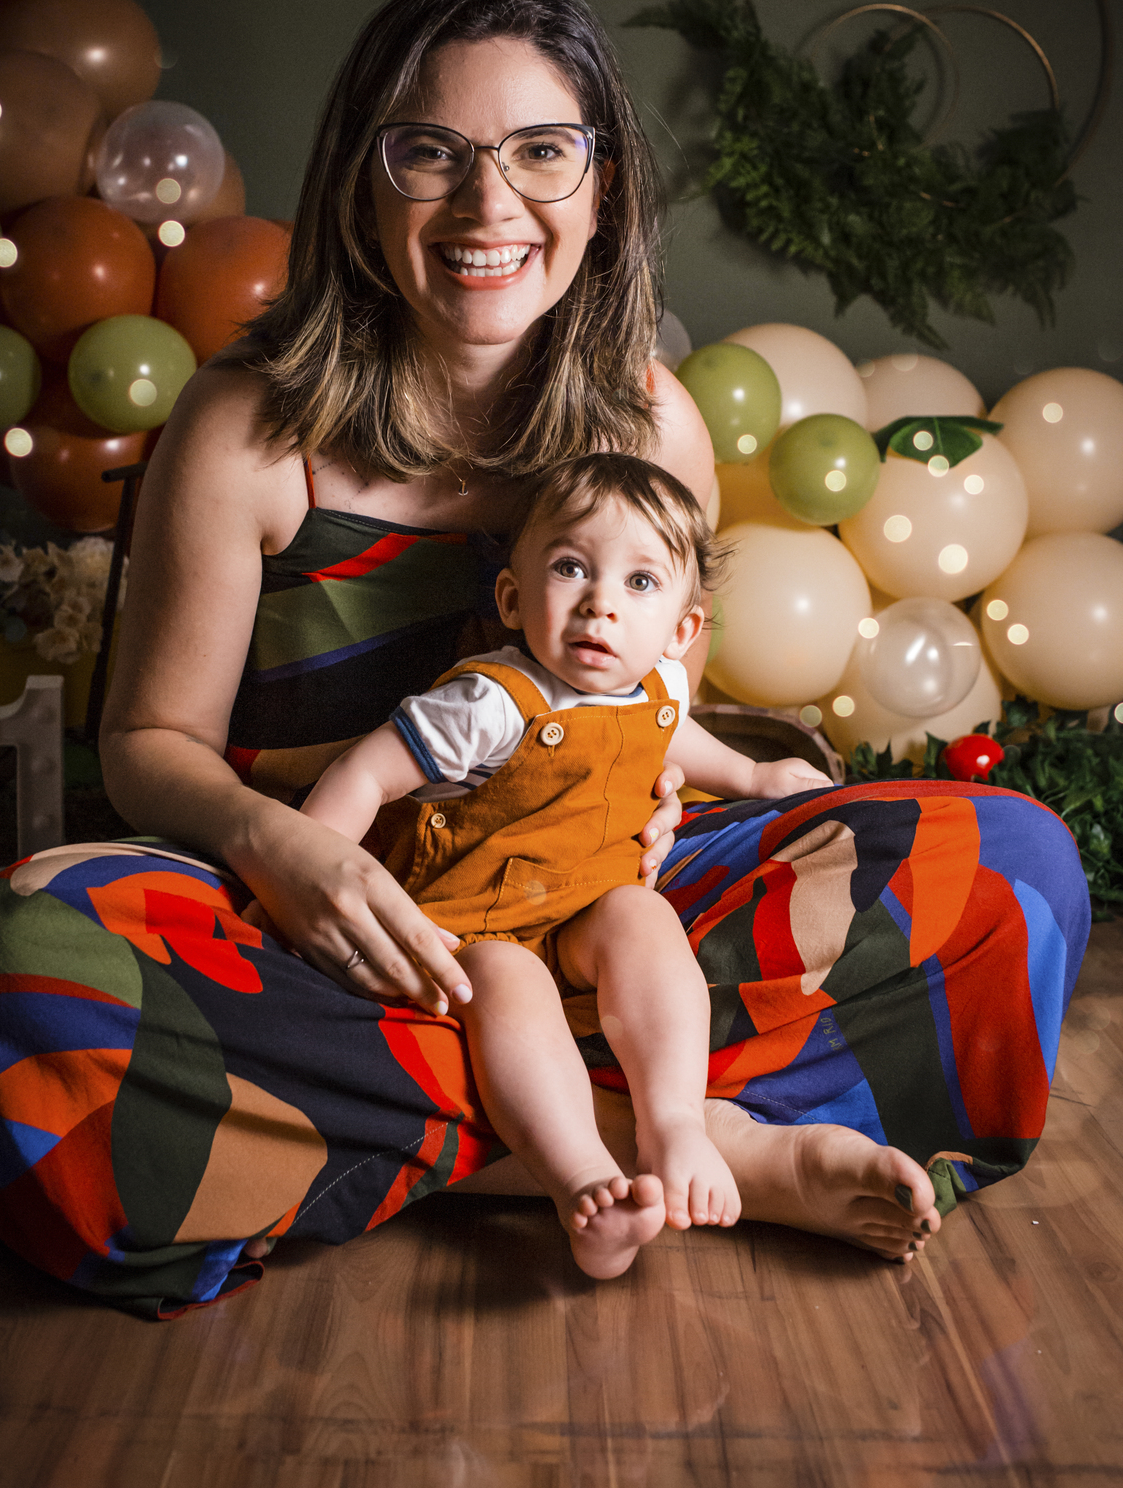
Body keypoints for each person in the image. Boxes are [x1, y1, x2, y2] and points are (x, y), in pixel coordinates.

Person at [0, 0, 1089, 1316]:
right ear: (362, 187)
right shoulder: (250, 424)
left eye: (542, 151)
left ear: (604, 188)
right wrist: (284, 850)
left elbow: (654, 722)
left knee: (1017, 866)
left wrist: (688, 809)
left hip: (599, 928)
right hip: (332, 937)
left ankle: (441, 1136)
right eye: (431, 153)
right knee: (19, 955)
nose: (490, 205)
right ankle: (689, 1149)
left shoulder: (650, 423)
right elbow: (146, 744)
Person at [294, 452, 832, 1276]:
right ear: (513, 599)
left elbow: (675, 735)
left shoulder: (658, 686)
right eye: (571, 568)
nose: (599, 603)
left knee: (644, 916)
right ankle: (582, 1181)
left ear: (682, 632)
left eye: (640, 583)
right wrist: (310, 871)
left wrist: (754, 777)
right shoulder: (490, 702)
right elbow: (366, 773)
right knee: (507, 982)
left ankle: (674, 1123)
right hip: (472, 922)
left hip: (584, 910)